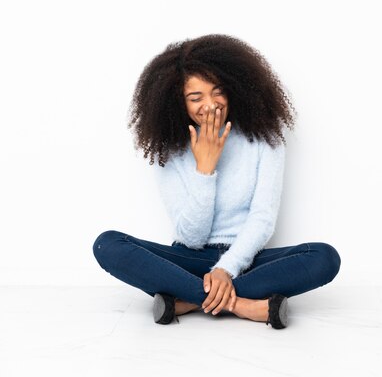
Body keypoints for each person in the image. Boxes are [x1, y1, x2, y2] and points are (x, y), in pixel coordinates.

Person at [92, 34, 341, 329]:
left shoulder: (265, 139)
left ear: (235, 89)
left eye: (218, 92)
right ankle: (242, 306)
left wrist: (226, 268)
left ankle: (187, 300)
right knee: (107, 245)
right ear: (178, 101)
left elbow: (263, 219)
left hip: (246, 259)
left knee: (324, 257)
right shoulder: (170, 148)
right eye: (195, 98)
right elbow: (192, 237)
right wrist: (205, 169)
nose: (209, 105)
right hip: (188, 258)